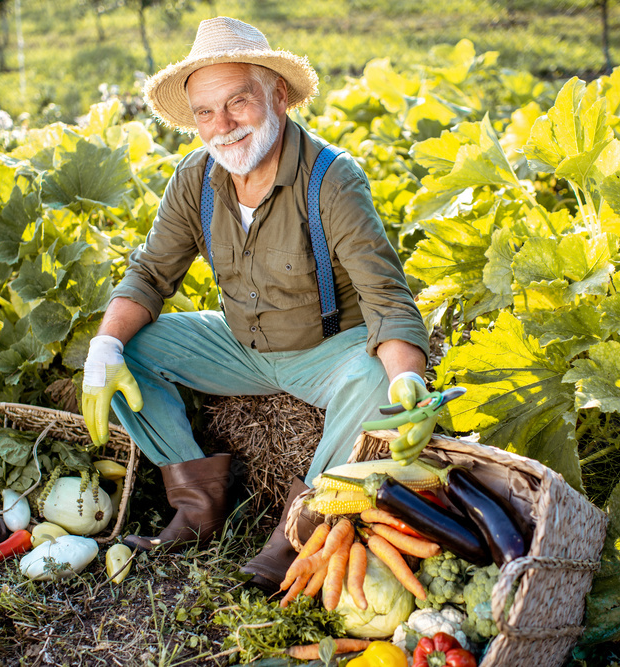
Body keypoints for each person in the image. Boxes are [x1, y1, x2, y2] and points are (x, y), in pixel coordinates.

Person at [80, 16, 434, 592]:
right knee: (130, 345)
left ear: (278, 95)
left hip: (327, 350)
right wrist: (104, 347)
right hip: (239, 344)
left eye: (237, 102)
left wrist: (407, 387)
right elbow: (148, 275)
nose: (221, 126)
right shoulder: (195, 179)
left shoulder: (331, 180)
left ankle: (302, 529)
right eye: (204, 112)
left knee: (374, 378)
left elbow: (388, 300)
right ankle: (198, 504)